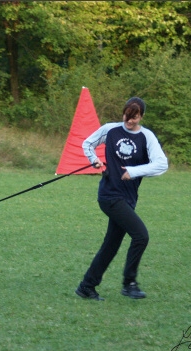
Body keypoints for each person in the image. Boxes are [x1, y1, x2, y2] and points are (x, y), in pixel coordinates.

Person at [75, 97, 168, 301]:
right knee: (141, 235)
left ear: (141, 116)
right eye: (128, 114)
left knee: (111, 245)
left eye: (135, 117)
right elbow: (88, 143)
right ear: (123, 112)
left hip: (128, 198)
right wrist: (94, 161)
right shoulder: (111, 130)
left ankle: (86, 286)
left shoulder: (146, 137)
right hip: (110, 195)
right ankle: (129, 283)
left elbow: (162, 164)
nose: (130, 120)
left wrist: (134, 172)